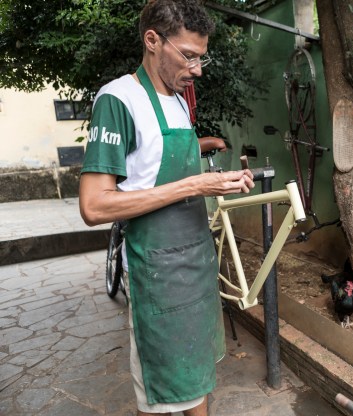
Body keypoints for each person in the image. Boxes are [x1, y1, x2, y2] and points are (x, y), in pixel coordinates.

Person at [78, 1, 254, 415]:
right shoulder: (118, 100)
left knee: (195, 378)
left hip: (194, 264)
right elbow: (94, 205)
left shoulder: (177, 99)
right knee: (160, 393)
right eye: (189, 56)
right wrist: (193, 184)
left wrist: (217, 182)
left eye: (201, 57)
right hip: (154, 272)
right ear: (153, 40)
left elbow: (164, 161)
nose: (197, 70)